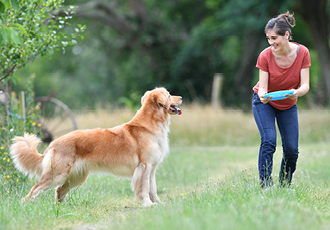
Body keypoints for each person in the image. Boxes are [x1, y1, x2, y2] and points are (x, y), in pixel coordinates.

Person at [252, 11, 311, 188]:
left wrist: (296, 93)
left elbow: (305, 85)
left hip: (288, 103)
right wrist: (262, 95)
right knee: (269, 140)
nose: (271, 43)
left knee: (292, 150)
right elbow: (262, 87)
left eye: (274, 38)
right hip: (265, 102)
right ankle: (266, 186)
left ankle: (284, 185)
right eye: (268, 38)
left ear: (286, 35)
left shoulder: (303, 53)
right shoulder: (265, 55)